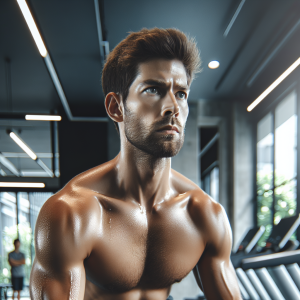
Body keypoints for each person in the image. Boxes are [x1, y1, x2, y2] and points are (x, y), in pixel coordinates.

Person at [30, 28, 242, 300]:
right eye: (153, 89)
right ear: (116, 107)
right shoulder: (72, 215)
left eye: (181, 94)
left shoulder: (204, 215)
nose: (172, 108)